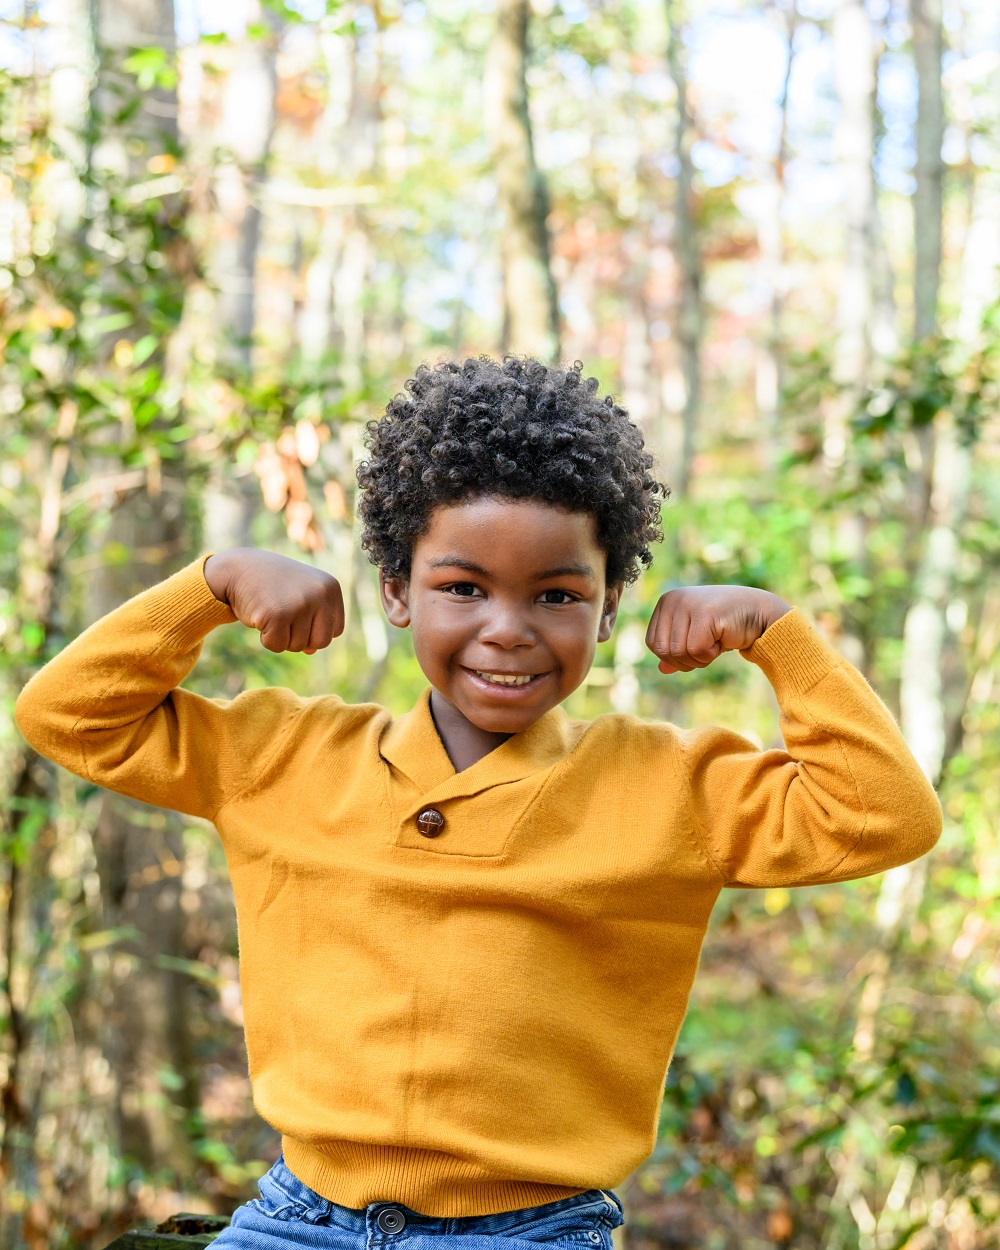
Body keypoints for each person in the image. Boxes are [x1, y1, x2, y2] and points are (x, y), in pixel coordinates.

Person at [14, 355, 941, 1249]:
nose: (509, 629)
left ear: (610, 607)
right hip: (298, 1218)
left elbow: (884, 812)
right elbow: (67, 716)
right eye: (462, 587)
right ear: (397, 591)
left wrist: (781, 638)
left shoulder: (671, 787)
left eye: (557, 594)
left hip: (534, 1231)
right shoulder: (285, 755)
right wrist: (208, 590)